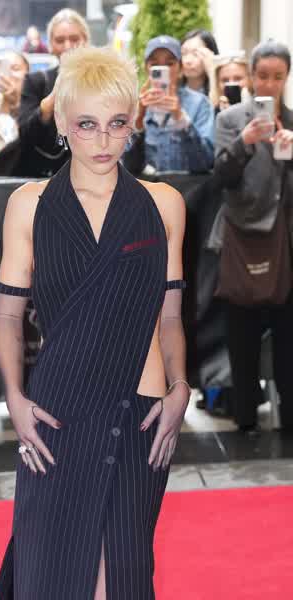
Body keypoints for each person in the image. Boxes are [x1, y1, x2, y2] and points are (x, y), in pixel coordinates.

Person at [0, 46, 190, 599]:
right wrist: (14, 398)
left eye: (117, 124)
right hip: (57, 417)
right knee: (51, 575)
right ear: (62, 123)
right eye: (87, 124)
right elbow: (7, 315)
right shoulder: (30, 205)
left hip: (140, 416)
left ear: (133, 123)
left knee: (120, 577)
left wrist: (180, 386)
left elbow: (171, 315)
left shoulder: (163, 204)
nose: (103, 140)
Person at [214, 40, 293, 434]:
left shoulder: (291, 121)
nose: (269, 84)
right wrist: (244, 143)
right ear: (250, 76)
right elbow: (221, 176)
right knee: (241, 333)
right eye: (263, 75)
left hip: (286, 240)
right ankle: (245, 417)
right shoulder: (230, 119)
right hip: (243, 236)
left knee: (287, 335)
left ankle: (290, 416)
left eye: (278, 77)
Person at [123, 35, 214, 176]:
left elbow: (206, 162)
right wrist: (139, 120)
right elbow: (129, 167)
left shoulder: (199, 103)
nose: (162, 69)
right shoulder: (136, 106)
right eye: (154, 64)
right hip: (150, 189)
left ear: (180, 68)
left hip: (188, 188)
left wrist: (181, 118)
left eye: (169, 63)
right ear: (147, 68)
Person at [17, 8, 90, 177]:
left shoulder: (102, 82)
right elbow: (25, 137)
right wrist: (49, 103)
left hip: (91, 177)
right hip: (45, 178)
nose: (68, 46)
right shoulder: (35, 82)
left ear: (85, 41)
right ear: (50, 45)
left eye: (74, 39)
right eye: (60, 40)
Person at [181, 29, 219, 96]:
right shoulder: (174, 90)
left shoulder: (222, 88)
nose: (188, 61)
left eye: (196, 54)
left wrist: (212, 72)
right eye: (184, 53)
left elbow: (214, 102)